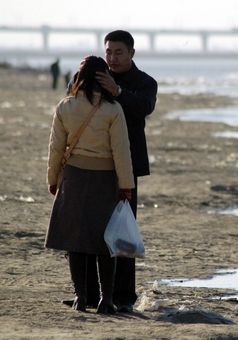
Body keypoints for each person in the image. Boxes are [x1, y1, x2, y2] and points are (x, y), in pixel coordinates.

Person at [45, 56, 135, 314]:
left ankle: (81, 297)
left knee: (76, 241)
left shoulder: (65, 106)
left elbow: (55, 149)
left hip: (73, 178)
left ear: (78, 77)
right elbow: (122, 151)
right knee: (104, 241)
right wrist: (126, 185)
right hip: (105, 178)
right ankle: (106, 299)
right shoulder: (113, 109)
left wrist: (53, 180)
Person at [92, 30, 157, 313]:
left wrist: (117, 91)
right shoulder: (94, 76)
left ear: (131, 53)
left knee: (123, 231)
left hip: (127, 166)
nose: (112, 58)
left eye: (118, 52)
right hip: (94, 163)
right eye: (108, 52)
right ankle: (90, 294)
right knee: (92, 231)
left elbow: (144, 107)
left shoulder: (145, 82)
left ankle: (124, 297)